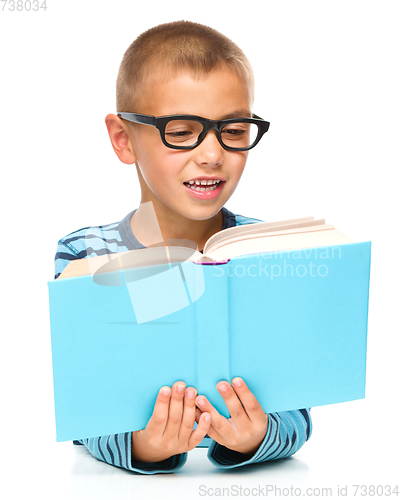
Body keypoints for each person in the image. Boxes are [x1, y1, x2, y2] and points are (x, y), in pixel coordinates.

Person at [54, 20, 312, 474]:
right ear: (123, 138)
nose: (212, 154)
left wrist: (257, 438)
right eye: (182, 129)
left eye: (233, 130)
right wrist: (141, 446)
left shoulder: (266, 250)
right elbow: (84, 415)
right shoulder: (86, 256)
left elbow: (298, 412)